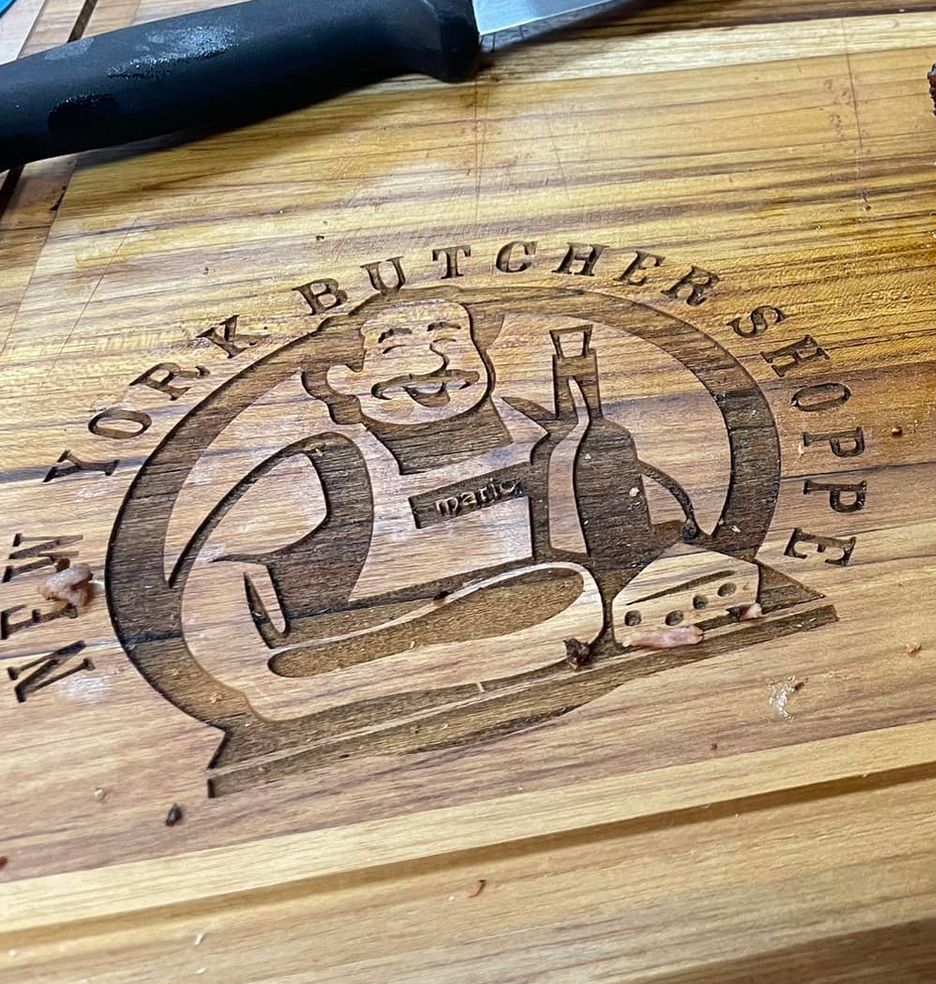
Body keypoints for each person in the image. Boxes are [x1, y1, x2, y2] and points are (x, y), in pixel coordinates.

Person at [172, 293, 755, 721]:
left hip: (537, 636)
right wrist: (262, 671)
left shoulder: (536, 426)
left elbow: (619, 515)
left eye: (448, 337)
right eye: (395, 346)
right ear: (346, 379)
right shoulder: (327, 466)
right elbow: (211, 580)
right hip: (359, 669)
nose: (431, 364)